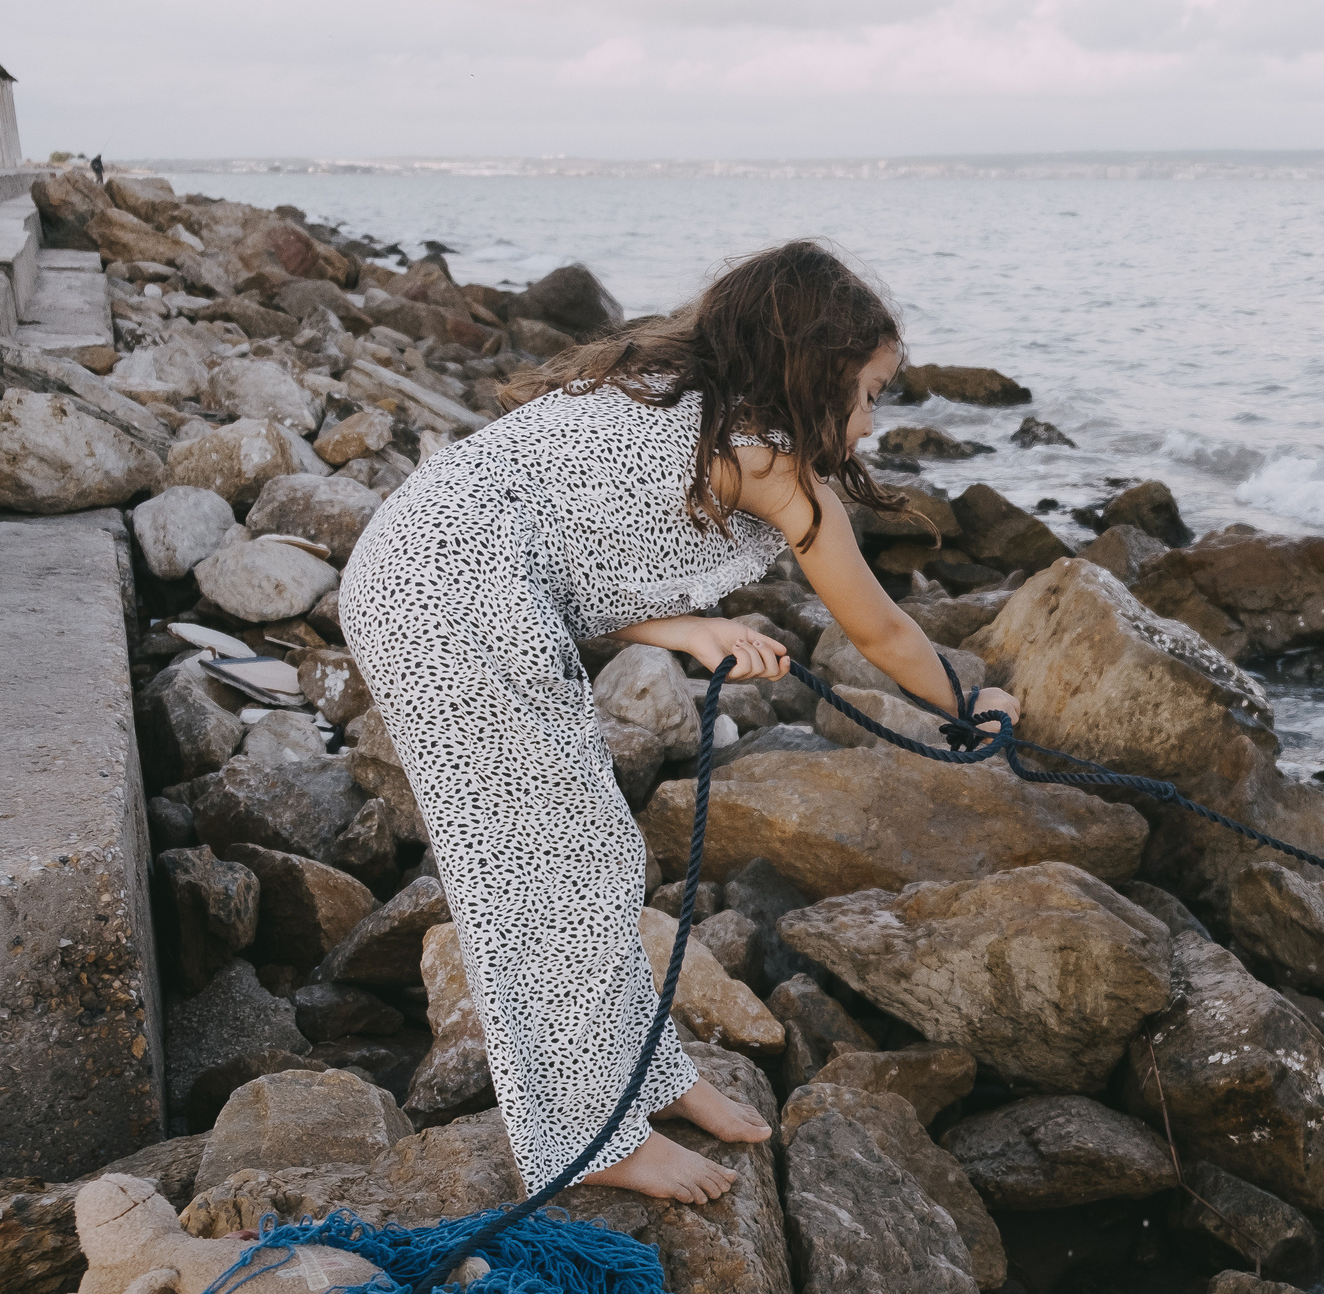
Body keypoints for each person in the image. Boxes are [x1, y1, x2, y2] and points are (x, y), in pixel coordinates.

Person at [341, 241, 1016, 1205]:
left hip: (436, 575)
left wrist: (687, 626)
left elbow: (553, 533)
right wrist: (966, 702)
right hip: (449, 608)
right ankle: (585, 1132)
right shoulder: (769, 463)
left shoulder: (675, 397)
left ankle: (642, 1076)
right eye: (867, 393)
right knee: (546, 875)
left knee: (594, 855)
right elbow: (878, 626)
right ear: (808, 377)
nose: (872, 421)